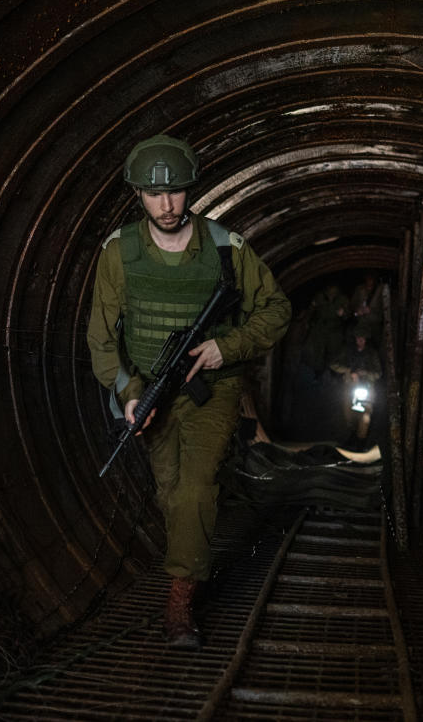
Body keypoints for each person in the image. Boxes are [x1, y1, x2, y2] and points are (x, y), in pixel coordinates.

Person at [86, 134, 291, 650]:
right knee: (172, 494)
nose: (167, 204)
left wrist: (229, 346)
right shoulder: (118, 253)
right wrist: (129, 392)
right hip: (151, 390)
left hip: (213, 390)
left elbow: (277, 309)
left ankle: (178, 607)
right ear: (138, 195)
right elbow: (101, 339)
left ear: (190, 191)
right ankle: (188, 569)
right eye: (155, 195)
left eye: (176, 192)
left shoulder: (226, 248)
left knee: (197, 488)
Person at [328, 328, 383, 445]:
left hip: (367, 387)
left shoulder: (371, 353)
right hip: (350, 386)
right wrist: (349, 371)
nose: (360, 341)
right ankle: (348, 437)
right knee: (347, 413)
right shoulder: (348, 350)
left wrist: (365, 373)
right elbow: (334, 364)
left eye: (362, 338)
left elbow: (378, 373)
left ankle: (360, 440)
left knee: (365, 415)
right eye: (358, 338)